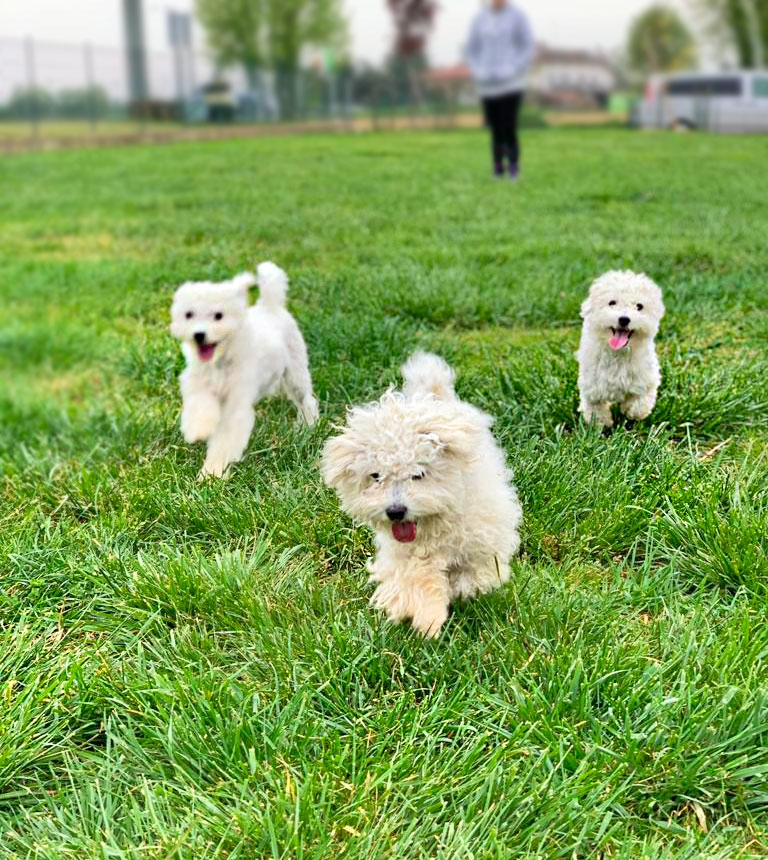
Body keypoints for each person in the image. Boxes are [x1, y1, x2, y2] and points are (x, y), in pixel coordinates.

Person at [466, 0, 534, 180]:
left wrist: (515, 67)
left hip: (511, 82)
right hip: (487, 83)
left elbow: (527, 45)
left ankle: (513, 166)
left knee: (509, 125)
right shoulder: (480, 18)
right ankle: (497, 167)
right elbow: (471, 48)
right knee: (495, 127)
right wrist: (477, 69)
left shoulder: (517, 16)